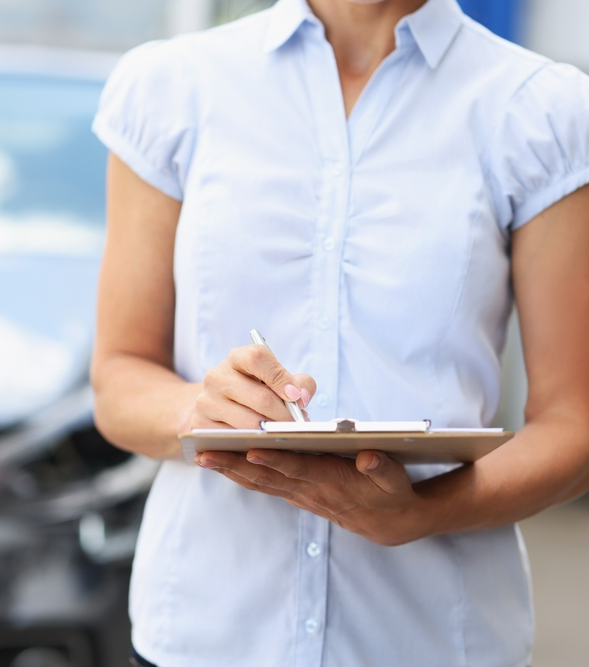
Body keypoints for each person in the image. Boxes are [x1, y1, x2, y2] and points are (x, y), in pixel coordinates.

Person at [89, 0, 589, 665]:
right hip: (207, 630)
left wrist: (423, 512)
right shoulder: (171, 85)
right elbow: (119, 377)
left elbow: (574, 423)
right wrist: (198, 408)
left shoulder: (542, 110)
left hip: (433, 636)